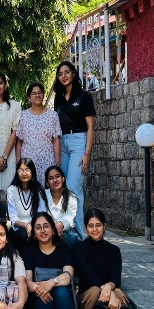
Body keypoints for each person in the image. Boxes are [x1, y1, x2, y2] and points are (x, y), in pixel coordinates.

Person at [73, 208, 128, 309]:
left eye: (98, 225)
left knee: (119, 293)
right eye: (91, 226)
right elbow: (89, 276)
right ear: (85, 228)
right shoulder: (79, 249)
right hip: (86, 296)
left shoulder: (114, 251)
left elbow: (116, 279)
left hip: (107, 291)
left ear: (104, 226)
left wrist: (110, 288)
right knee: (96, 291)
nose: (95, 229)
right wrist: (108, 290)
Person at [22, 212, 75, 309]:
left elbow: (68, 276)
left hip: (61, 297)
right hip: (38, 298)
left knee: (63, 293)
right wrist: (39, 289)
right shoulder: (29, 252)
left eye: (46, 226)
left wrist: (50, 283)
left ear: (53, 229)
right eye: (38, 227)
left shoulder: (64, 250)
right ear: (34, 233)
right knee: (42, 298)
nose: (43, 230)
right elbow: (27, 281)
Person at [53, 61, 96, 236]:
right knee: (61, 187)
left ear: (73, 73)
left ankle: (81, 234)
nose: (64, 76)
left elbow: (91, 127)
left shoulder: (84, 96)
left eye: (67, 72)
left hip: (79, 141)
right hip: (62, 142)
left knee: (73, 187)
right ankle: (67, 230)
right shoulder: (58, 98)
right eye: (60, 73)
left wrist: (87, 153)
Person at [15, 82, 61, 176]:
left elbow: (56, 140)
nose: (37, 95)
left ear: (43, 95)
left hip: (47, 161)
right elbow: (19, 141)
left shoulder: (52, 115)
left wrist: (57, 164)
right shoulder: (23, 116)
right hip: (28, 162)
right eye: (34, 93)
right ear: (29, 97)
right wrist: (18, 163)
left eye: (40, 93)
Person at [6, 158, 48, 251]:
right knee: (22, 234)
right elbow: (13, 218)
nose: (24, 173)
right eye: (21, 170)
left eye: (27, 170)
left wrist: (33, 227)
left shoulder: (39, 190)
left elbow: (42, 214)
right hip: (18, 230)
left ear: (32, 172)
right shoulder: (12, 190)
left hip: (36, 228)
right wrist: (26, 225)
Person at [44, 165, 82, 247]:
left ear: (63, 179)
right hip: (46, 229)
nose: (55, 180)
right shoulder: (42, 195)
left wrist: (61, 224)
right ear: (47, 183)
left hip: (66, 230)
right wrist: (52, 228)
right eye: (51, 178)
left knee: (73, 238)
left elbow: (70, 218)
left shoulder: (71, 197)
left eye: (57, 176)